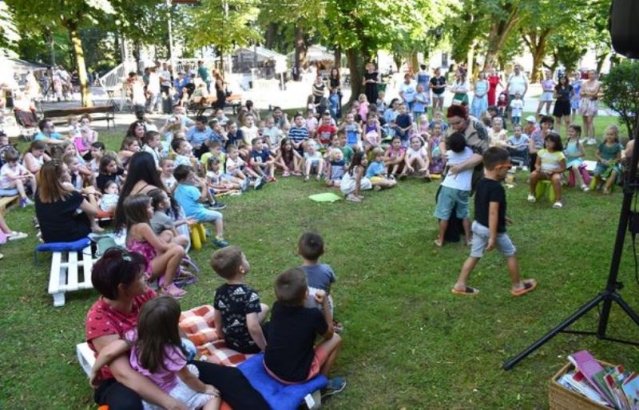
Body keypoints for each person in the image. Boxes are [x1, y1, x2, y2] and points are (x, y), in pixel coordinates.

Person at [86, 248, 270, 409]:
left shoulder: (144, 295)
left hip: (160, 364)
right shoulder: (100, 319)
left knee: (229, 377)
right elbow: (123, 374)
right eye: (140, 276)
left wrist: (194, 352)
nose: (147, 277)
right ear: (122, 288)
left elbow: (170, 324)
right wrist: (170, 403)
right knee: (127, 406)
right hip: (124, 379)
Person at [88, 296, 220, 410]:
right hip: (173, 393)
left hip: (147, 398)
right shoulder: (172, 352)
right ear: (171, 326)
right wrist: (205, 388)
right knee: (213, 396)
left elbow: (108, 353)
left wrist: (94, 371)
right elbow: (187, 378)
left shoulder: (133, 335)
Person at [451, 147, 537, 296]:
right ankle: (517, 286)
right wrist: (492, 236)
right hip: (491, 230)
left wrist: (503, 217)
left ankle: (460, 285)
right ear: (498, 168)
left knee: (474, 255)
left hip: (478, 226)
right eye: (508, 167)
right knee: (510, 253)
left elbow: (483, 206)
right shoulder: (497, 188)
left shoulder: (481, 182)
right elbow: (493, 212)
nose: (509, 170)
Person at [263, 267, 346, 396]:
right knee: (336, 339)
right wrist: (325, 304)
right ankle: (321, 386)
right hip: (296, 376)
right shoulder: (312, 315)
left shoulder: (276, 307)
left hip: (270, 366)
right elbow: (330, 334)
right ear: (306, 294)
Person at [123, 194, 187, 297]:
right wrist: (175, 247)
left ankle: (170, 273)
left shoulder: (135, 225)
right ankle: (167, 286)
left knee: (167, 233)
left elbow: (157, 242)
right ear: (140, 212)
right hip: (145, 270)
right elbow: (161, 247)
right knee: (178, 250)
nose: (152, 208)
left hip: (145, 263)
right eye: (149, 207)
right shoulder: (143, 227)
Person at [211, 246, 269, 354]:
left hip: (230, 342)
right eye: (245, 259)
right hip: (250, 346)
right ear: (241, 269)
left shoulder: (219, 292)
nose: (247, 260)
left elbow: (217, 319)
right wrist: (265, 348)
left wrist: (221, 335)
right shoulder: (249, 295)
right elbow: (253, 327)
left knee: (264, 307)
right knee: (266, 315)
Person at [35, 160, 98, 243]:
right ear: (62, 175)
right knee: (84, 207)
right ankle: (94, 226)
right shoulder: (71, 195)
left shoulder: (39, 192)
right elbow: (94, 211)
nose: (69, 171)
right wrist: (91, 193)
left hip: (49, 237)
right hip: (71, 236)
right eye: (66, 170)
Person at [173, 164, 229, 248]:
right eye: (191, 178)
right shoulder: (192, 189)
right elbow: (202, 199)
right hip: (196, 214)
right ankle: (219, 238)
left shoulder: (178, 188)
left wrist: (196, 179)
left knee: (211, 217)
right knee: (218, 216)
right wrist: (204, 187)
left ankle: (205, 230)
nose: (194, 179)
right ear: (183, 180)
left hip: (185, 215)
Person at [434, 132, 474, 247]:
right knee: (464, 214)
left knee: (444, 214)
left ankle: (441, 240)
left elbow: (436, 153)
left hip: (448, 187)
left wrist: (442, 149)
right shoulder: (471, 153)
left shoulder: (449, 155)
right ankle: (468, 239)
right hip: (464, 188)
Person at [527, 132, 566, 208]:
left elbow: (563, 168)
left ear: (556, 143)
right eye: (547, 141)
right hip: (543, 172)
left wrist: (554, 171)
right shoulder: (541, 152)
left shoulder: (559, 155)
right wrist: (537, 167)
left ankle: (558, 200)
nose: (548, 143)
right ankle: (532, 193)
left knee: (556, 179)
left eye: (551, 142)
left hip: (554, 173)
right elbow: (537, 164)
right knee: (533, 175)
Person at [592, 125, 623, 194]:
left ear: (616, 136)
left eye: (611, 134)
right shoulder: (602, 145)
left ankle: (605, 187)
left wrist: (612, 162)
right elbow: (596, 154)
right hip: (602, 164)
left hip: (613, 165)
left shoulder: (617, 146)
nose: (609, 136)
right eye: (608, 134)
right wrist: (601, 159)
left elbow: (619, 158)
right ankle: (601, 181)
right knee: (596, 174)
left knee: (614, 172)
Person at [564, 124, 589, 191]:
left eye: (572, 131)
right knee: (558, 166)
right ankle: (566, 181)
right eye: (569, 131)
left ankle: (582, 184)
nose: (570, 133)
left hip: (576, 160)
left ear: (577, 133)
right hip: (568, 160)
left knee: (574, 168)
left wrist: (571, 155)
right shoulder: (568, 140)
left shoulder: (578, 143)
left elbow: (583, 154)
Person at [579, 69, 601, 145]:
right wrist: (587, 93)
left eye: (592, 74)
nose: (590, 75)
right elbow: (581, 93)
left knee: (590, 121)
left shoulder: (597, 83)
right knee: (584, 120)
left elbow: (595, 94)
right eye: (589, 74)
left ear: (596, 75)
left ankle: (592, 138)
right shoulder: (584, 83)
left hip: (592, 102)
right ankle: (586, 136)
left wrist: (585, 93)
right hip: (584, 102)